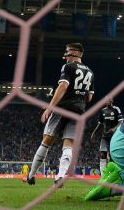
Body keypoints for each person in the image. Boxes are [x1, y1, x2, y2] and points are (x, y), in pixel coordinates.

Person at [23, 42, 94, 187]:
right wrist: (78, 94)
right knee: (68, 144)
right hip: (79, 111)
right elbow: (89, 97)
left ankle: (31, 176)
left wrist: (49, 107)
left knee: (47, 141)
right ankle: (60, 176)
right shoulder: (90, 72)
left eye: (67, 52)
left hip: (63, 108)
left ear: (74, 53)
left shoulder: (68, 67)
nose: (65, 56)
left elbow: (63, 86)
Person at [91, 98, 124, 173]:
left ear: (112, 101)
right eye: (106, 100)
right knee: (103, 154)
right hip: (105, 136)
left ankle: (114, 172)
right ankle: (103, 174)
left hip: (114, 136)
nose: (107, 101)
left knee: (112, 155)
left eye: (109, 100)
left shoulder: (116, 109)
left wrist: (113, 129)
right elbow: (100, 123)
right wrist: (94, 132)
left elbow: (121, 121)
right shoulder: (103, 110)